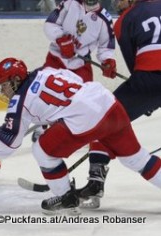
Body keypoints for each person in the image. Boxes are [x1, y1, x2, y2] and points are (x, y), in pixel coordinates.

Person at [0, 57, 161, 214]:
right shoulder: (46, 71)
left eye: (4, 86)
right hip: (107, 103)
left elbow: (10, 138)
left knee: (43, 150)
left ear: (15, 80)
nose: (3, 91)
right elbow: (74, 83)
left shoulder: (20, 101)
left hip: (86, 119)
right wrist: (56, 118)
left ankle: (66, 197)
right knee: (137, 159)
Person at [77, 0, 161, 207]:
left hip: (150, 80)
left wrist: (147, 99)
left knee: (103, 117)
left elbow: (136, 68)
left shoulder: (124, 20)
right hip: (152, 81)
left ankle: (95, 181)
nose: (116, 1)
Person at [32, 0, 117, 141]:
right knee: (44, 91)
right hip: (56, 58)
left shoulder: (104, 18)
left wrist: (107, 61)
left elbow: (106, 46)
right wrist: (62, 39)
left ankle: (81, 130)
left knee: (86, 99)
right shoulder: (70, 3)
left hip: (80, 63)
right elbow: (50, 24)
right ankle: (41, 126)